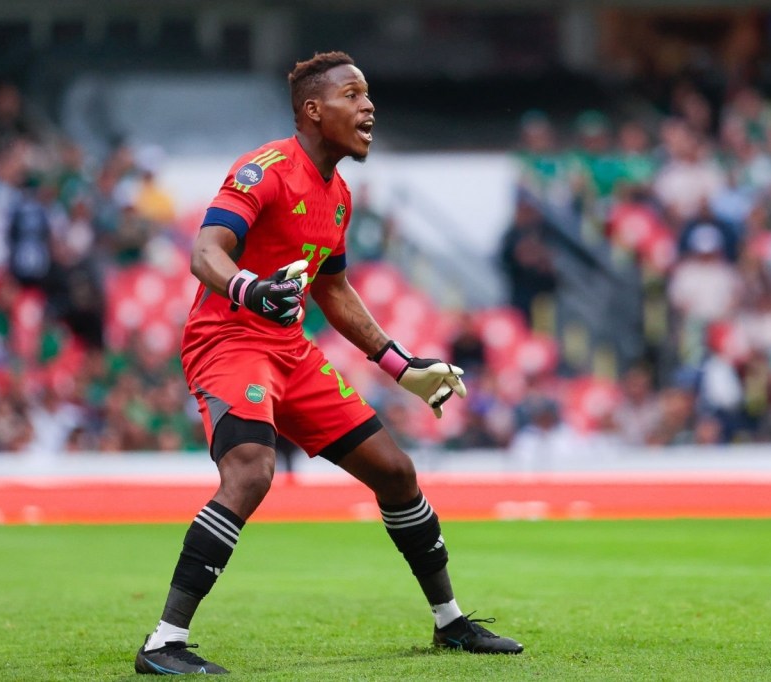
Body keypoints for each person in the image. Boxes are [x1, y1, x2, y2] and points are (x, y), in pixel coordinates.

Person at [134, 51, 523, 676]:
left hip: (288, 350)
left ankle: (451, 622)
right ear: (315, 111)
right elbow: (206, 251)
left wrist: (398, 365)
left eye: (367, 95)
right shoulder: (264, 170)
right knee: (252, 471)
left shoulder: (337, 194)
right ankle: (163, 642)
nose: (369, 106)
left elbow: (333, 290)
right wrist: (249, 290)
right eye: (354, 94)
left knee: (396, 472)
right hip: (229, 341)